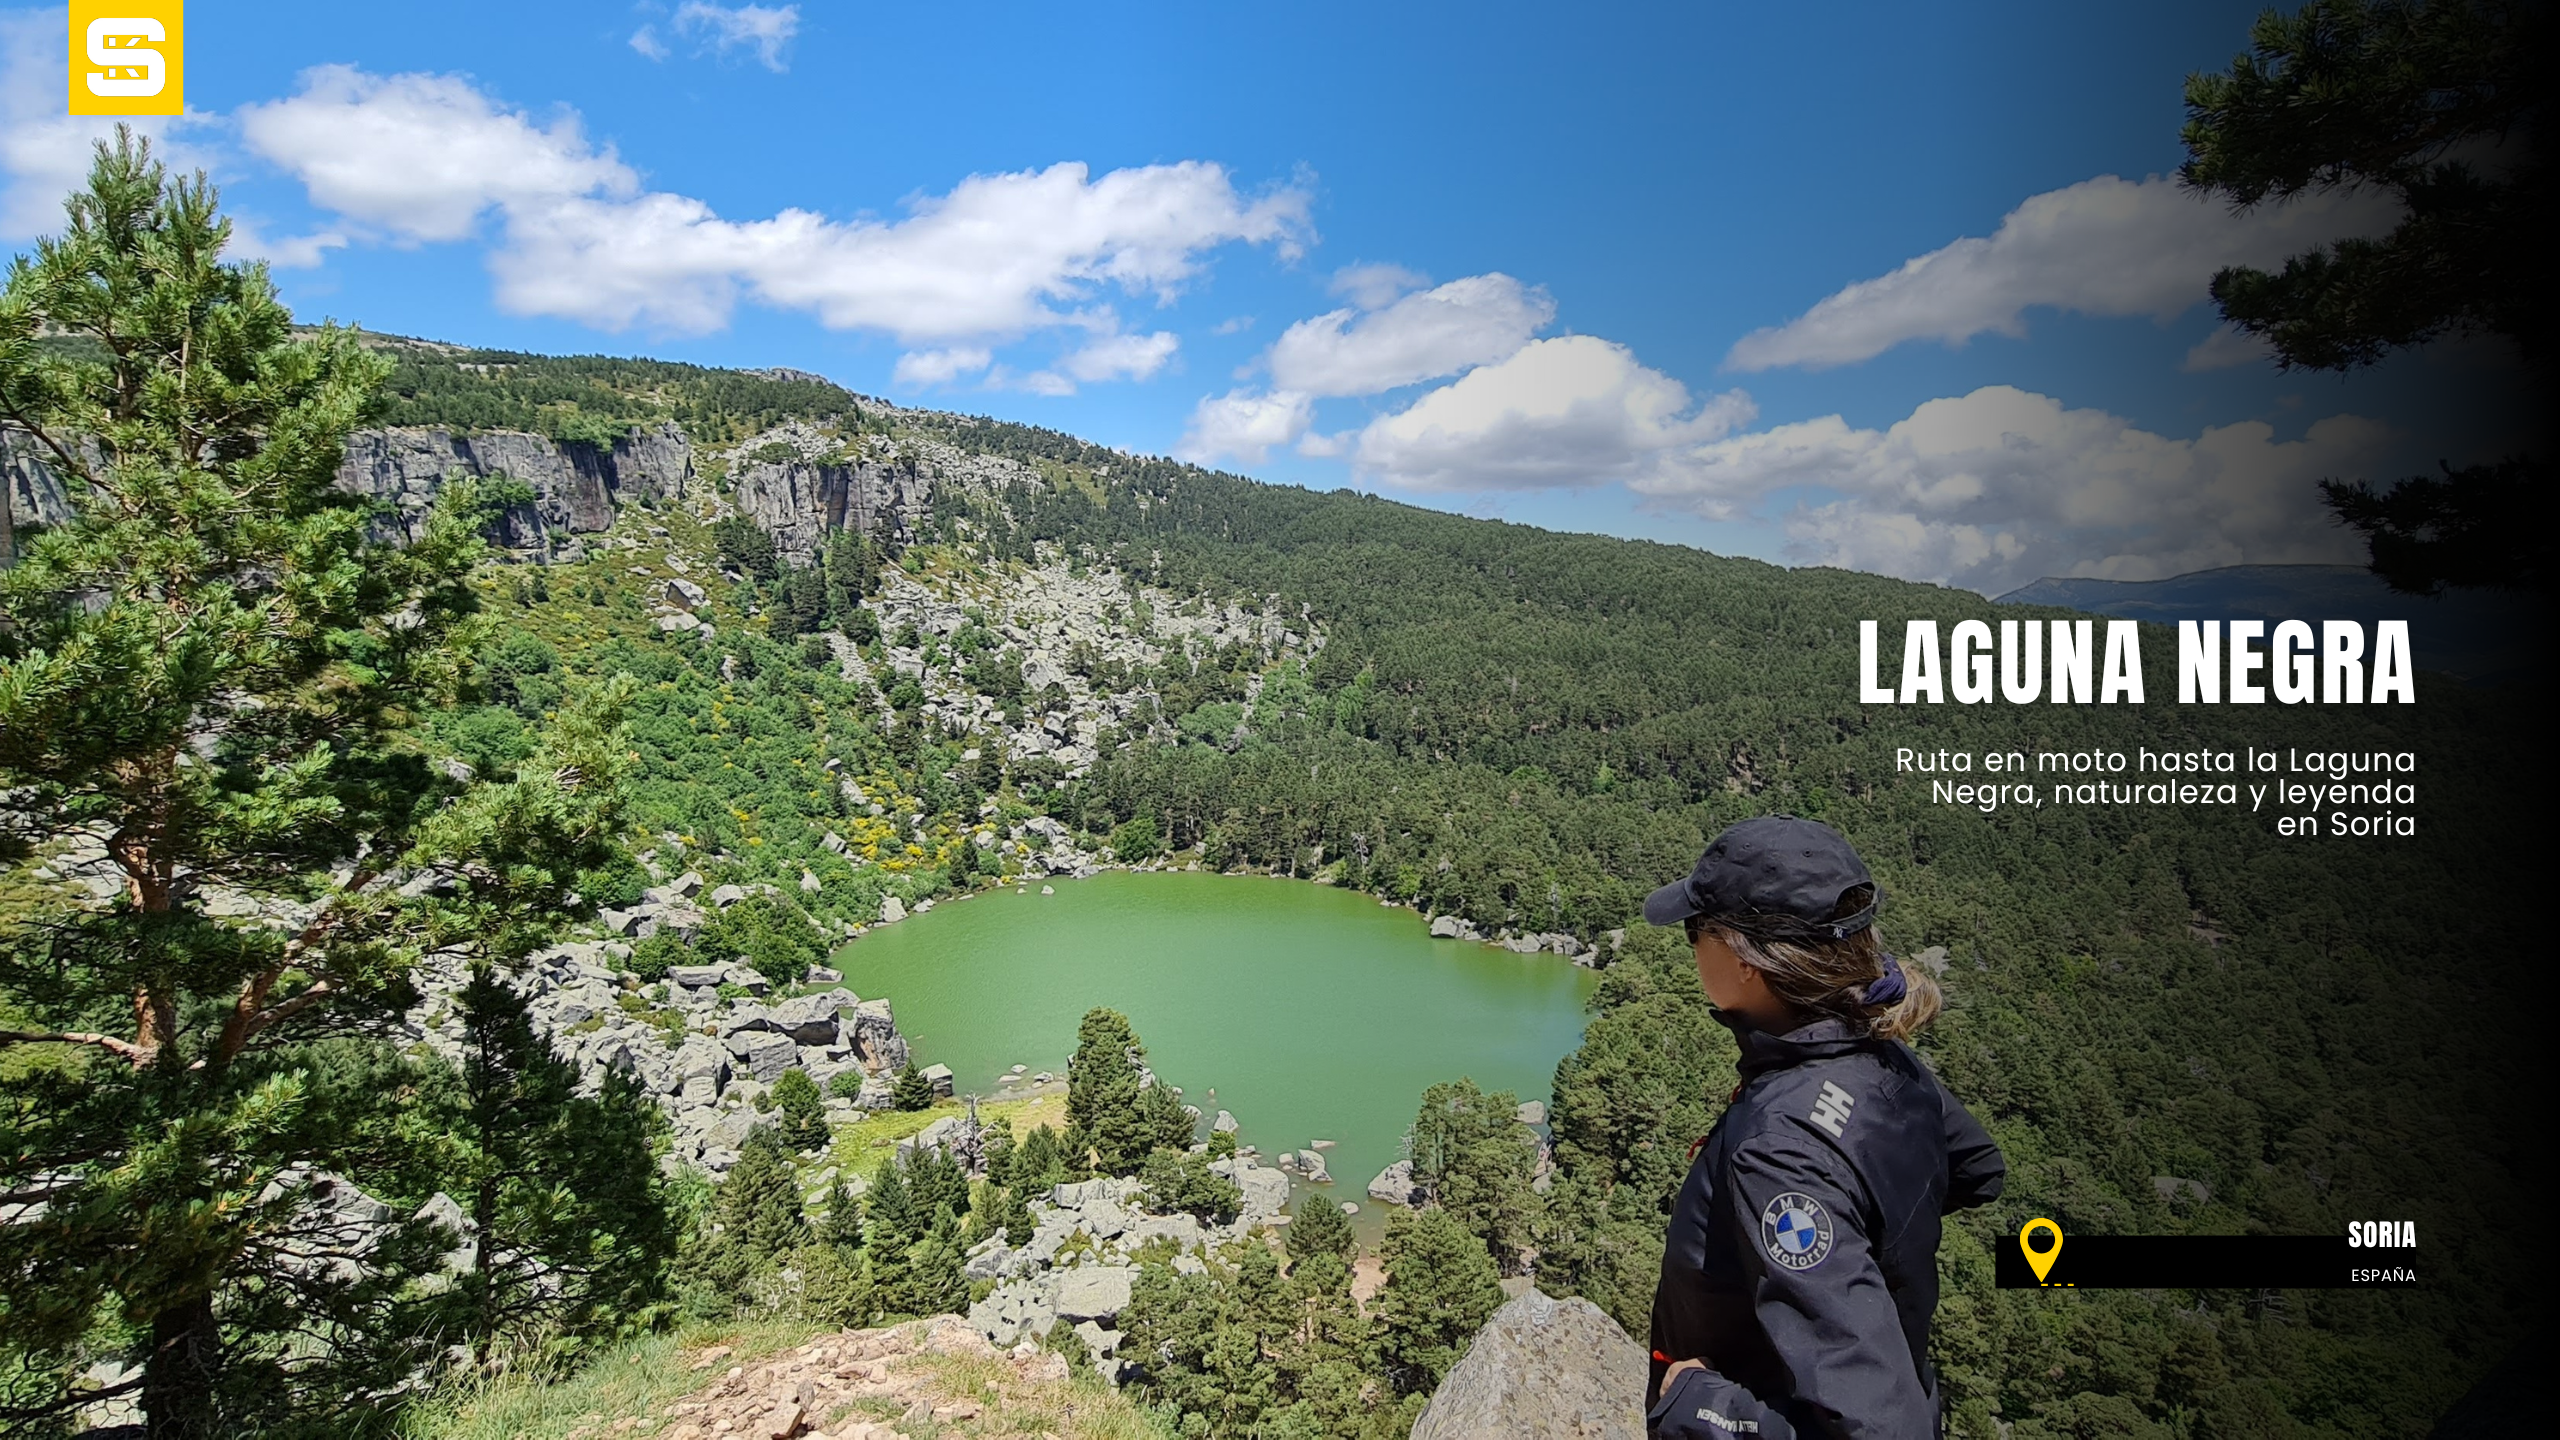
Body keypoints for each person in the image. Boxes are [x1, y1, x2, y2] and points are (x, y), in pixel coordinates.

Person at [1641, 815, 2005, 1440]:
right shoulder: (1879, 1053)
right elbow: (1976, 1169)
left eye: (1695, 930)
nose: (1691, 946)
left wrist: (1703, 1407)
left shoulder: (1782, 1148)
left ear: (1742, 958)